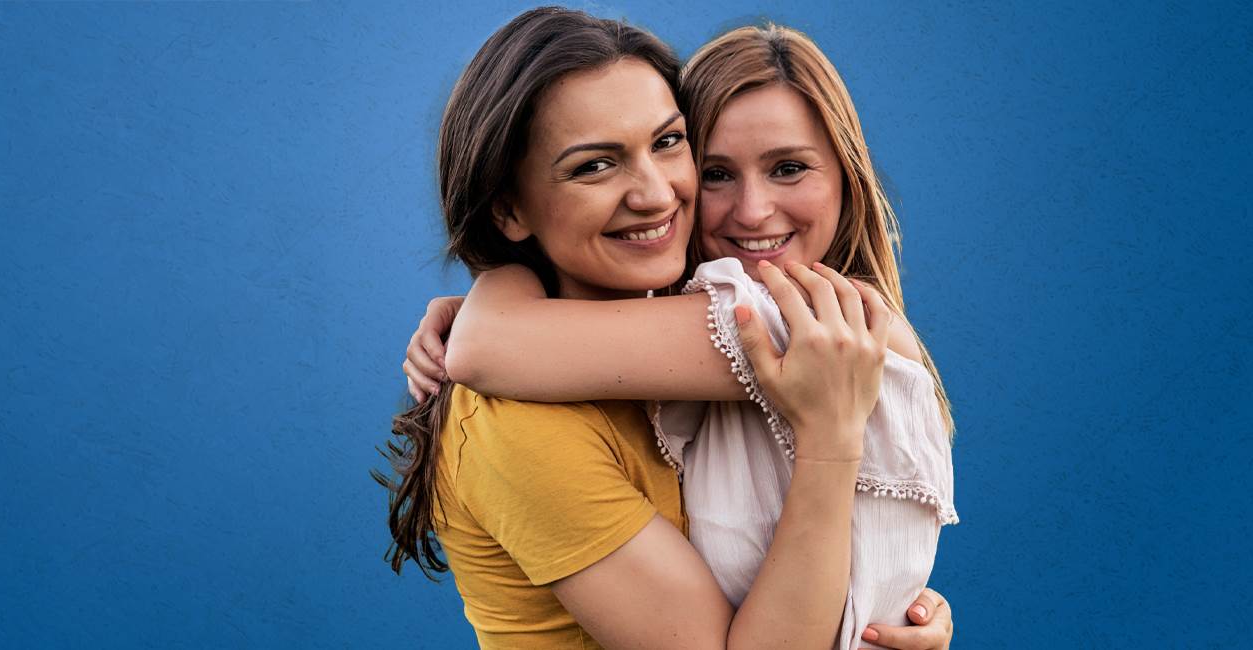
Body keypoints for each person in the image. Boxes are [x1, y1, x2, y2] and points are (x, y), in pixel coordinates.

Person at [377, 8, 952, 650]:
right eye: (594, 165)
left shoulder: (770, 335)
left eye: (668, 142)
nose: (654, 193)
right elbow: (489, 349)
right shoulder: (518, 420)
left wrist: (890, 600)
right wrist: (830, 444)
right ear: (508, 208)